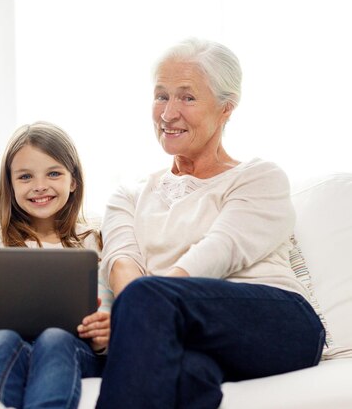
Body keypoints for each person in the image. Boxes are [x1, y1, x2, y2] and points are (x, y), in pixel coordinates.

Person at [95, 38, 326, 409]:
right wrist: (141, 316)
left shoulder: (258, 177)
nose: (168, 113)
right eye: (161, 96)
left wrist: (140, 311)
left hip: (277, 322)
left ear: (225, 109)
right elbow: (122, 262)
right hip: (183, 331)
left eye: (187, 98)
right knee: (188, 377)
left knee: (145, 297)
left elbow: (220, 250)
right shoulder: (128, 194)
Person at [0, 121, 112, 409]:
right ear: (10, 185)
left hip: (72, 350)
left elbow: (104, 317)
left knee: (55, 339)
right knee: (2, 339)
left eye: (53, 173)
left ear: (73, 181)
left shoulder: (96, 236)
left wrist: (103, 334)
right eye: (25, 176)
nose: (40, 187)